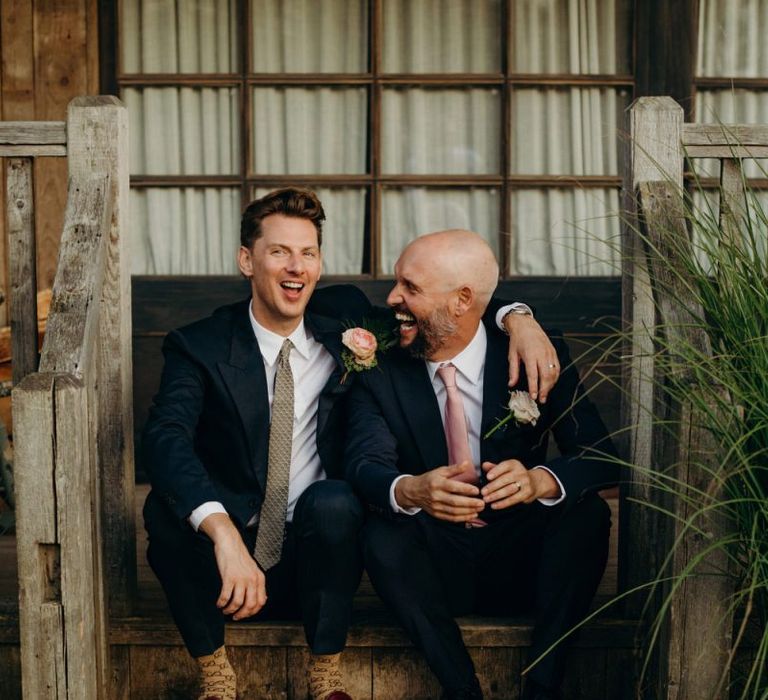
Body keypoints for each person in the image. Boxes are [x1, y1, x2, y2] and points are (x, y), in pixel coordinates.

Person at [142, 188, 559, 700]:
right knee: (166, 512)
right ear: (247, 260)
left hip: (318, 555)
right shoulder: (199, 345)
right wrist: (223, 534)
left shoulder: (346, 319)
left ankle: (327, 679)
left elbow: (449, 301)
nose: (296, 267)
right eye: (279, 252)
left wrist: (518, 317)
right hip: (226, 567)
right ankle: (215, 676)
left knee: (336, 499)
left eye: (309, 253)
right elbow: (165, 439)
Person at [344, 230, 619, 700]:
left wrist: (539, 481)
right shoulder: (381, 364)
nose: (393, 298)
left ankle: (543, 686)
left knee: (589, 516)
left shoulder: (536, 354)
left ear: (461, 301)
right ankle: (462, 689)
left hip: (522, 557)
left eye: (410, 287)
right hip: (433, 566)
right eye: (397, 283)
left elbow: (601, 457)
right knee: (381, 531)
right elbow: (363, 462)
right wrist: (412, 490)